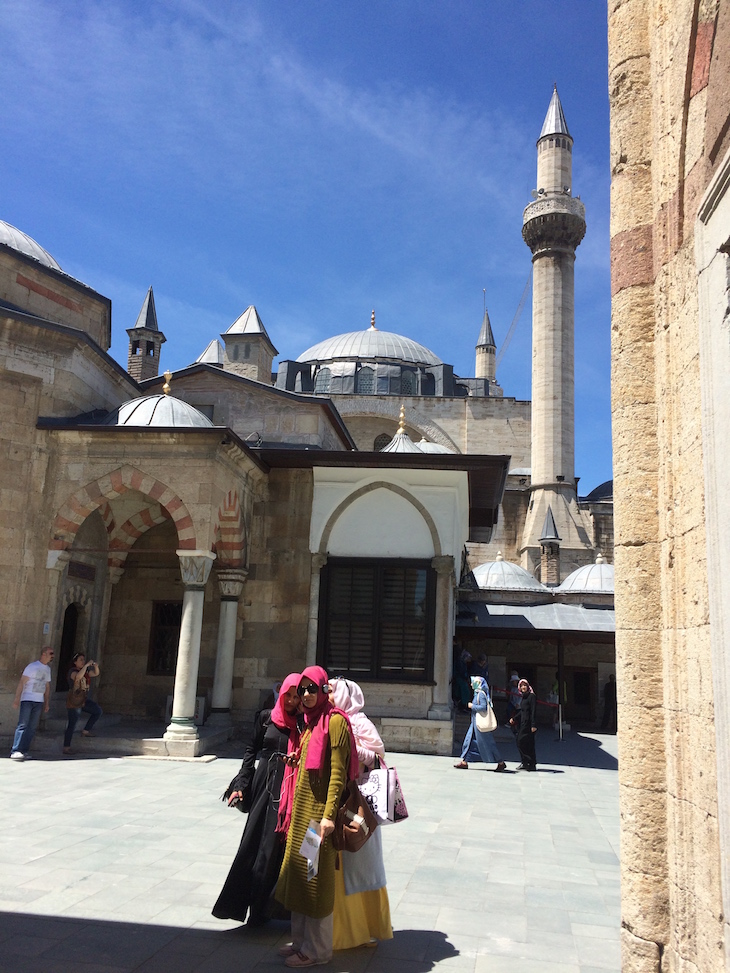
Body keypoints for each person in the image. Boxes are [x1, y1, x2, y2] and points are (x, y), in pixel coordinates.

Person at [275, 666, 358, 968]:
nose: (307, 695)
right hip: (302, 816)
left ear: (324, 690)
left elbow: (337, 774)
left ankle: (318, 950)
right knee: (300, 877)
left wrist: (328, 817)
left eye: (313, 689)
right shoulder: (309, 723)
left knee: (315, 881)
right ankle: (300, 942)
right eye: (304, 690)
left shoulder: (334, 723)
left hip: (317, 820)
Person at [213, 672, 302, 926]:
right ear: (281, 693)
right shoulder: (266, 719)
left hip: (289, 788)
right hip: (265, 785)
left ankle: (269, 909)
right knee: (253, 842)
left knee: (276, 846)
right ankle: (248, 904)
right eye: (289, 696)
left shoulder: (303, 723)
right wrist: (241, 783)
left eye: (297, 697)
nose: (292, 702)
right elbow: (251, 751)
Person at [328, 677, 393, 950]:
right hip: (333, 800)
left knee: (359, 866)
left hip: (356, 805)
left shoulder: (360, 722)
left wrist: (350, 746)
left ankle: (363, 928)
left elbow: (378, 756)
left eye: (331, 691)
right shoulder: (327, 719)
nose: (326, 695)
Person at [454, 675, 506, 772]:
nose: (470, 684)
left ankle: (500, 762)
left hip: (480, 725)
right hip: (475, 724)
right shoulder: (477, 694)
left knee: (488, 744)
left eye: (473, 682)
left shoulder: (481, 694)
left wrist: (472, 706)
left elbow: (483, 708)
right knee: (469, 742)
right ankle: (465, 761)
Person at [11, 646, 54, 760]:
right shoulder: (32, 667)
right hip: (28, 699)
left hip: (39, 700)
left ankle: (24, 750)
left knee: (32, 727)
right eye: (50, 653)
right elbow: (22, 682)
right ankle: (16, 749)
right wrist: (17, 698)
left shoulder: (48, 669)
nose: (52, 656)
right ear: (43, 654)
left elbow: (47, 686)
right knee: (22, 724)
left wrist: (47, 702)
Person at [63, 653, 102, 754]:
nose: (83, 661)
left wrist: (96, 666)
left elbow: (95, 673)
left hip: (83, 699)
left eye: (83, 660)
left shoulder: (86, 671)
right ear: (75, 662)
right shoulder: (72, 671)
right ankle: (66, 747)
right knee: (72, 723)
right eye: (80, 660)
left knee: (97, 711)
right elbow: (78, 678)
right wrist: (85, 666)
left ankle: (86, 730)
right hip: (74, 700)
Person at [511, 678, 538, 771]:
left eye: (525, 685)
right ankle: (527, 763)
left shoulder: (532, 696)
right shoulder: (524, 697)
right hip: (523, 723)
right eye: (521, 685)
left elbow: (533, 711)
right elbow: (522, 711)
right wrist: (514, 718)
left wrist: (533, 725)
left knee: (521, 741)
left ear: (528, 686)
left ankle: (530, 762)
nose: (523, 687)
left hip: (529, 724)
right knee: (526, 743)